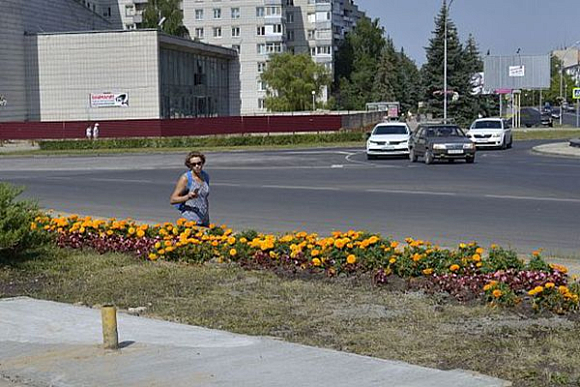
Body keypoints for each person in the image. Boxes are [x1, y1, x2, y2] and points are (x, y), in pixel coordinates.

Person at [170, 151, 210, 226]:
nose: (197, 166)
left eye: (199, 163)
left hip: (204, 218)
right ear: (189, 165)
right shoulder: (186, 178)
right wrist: (188, 197)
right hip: (190, 219)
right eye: (193, 164)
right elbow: (173, 200)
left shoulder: (205, 176)